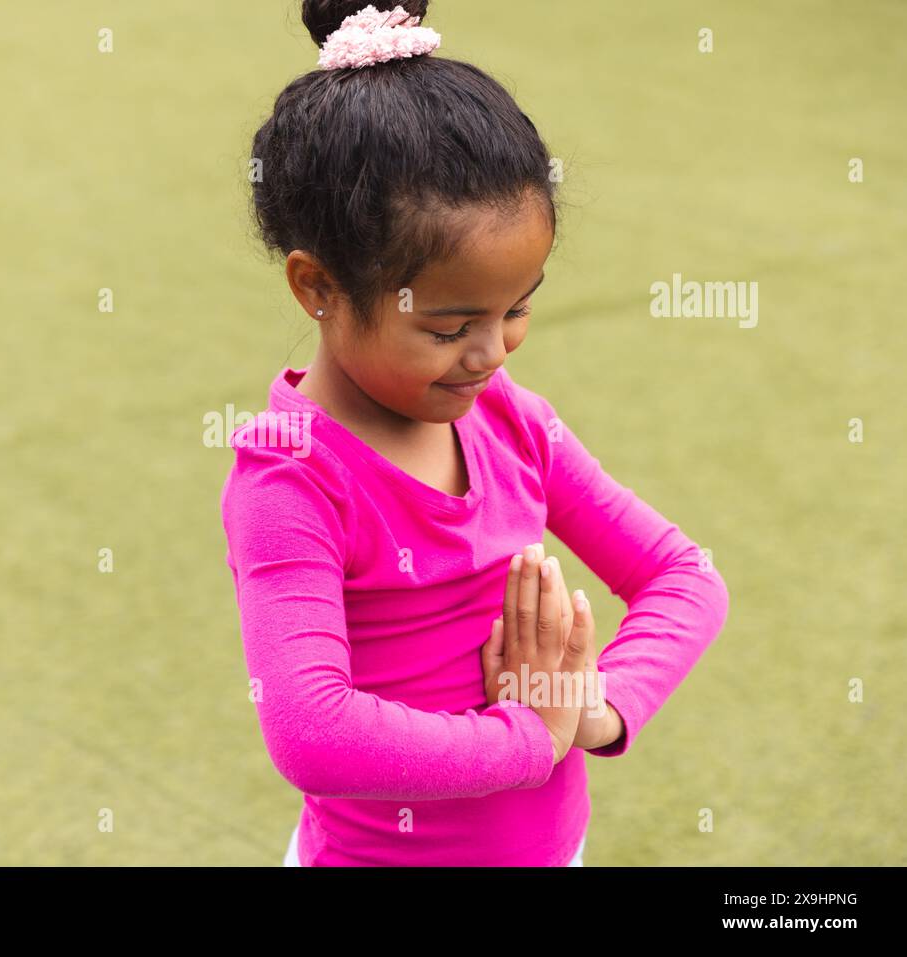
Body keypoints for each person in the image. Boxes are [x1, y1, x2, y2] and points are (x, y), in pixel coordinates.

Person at [220, 1, 730, 866]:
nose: (491, 354)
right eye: (451, 327)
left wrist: (593, 708)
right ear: (317, 286)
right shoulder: (293, 478)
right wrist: (528, 739)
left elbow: (684, 575)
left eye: (518, 308)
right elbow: (310, 730)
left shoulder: (510, 421)